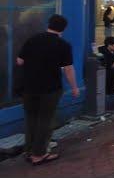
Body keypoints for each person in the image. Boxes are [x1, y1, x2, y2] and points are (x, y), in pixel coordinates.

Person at [16, 14, 79, 165]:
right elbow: (68, 69)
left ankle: (29, 151)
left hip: (29, 87)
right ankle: (39, 154)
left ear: (48, 24)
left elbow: (19, 61)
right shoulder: (63, 45)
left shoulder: (33, 39)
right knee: (45, 120)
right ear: (63, 29)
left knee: (31, 118)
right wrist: (75, 88)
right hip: (50, 88)